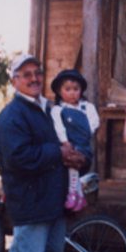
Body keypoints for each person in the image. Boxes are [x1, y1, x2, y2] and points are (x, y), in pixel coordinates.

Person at [0, 54, 87, 252]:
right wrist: (58, 153)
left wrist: (75, 156)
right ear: (14, 81)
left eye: (37, 72)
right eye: (26, 74)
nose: (34, 78)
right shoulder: (12, 116)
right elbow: (18, 158)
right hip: (31, 202)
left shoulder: (46, 109)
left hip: (54, 199)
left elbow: (60, 146)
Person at [50, 69, 100, 212]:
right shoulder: (58, 109)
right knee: (71, 161)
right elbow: (58, 127)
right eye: (67, 89)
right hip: (68, 144)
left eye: (76, 89)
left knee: (76, 161)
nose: (72, 93)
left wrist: (85, 131)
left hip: (83, 144)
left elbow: (94, 122)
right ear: (59, 91)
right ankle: (76, 194)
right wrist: (65, 142)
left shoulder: (87, 107)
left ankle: (74, 192)